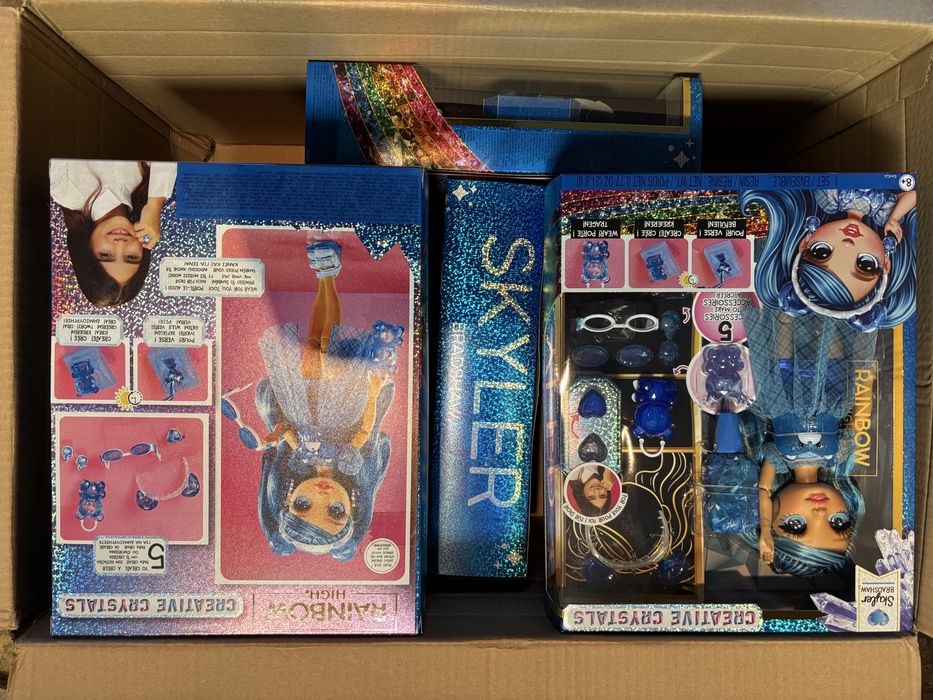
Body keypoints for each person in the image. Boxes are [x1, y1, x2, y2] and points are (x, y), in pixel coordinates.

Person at [223, 234, 404, 561]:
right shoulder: (348, 463)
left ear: (288, 499)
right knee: (328, 337)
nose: (321, 498)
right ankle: (327, 276)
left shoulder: (297, 461)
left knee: (316, 338)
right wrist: (373, 393)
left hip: (302, 399)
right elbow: (365, 431)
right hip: (341, 404)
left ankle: (326, 277)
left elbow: (288, 433)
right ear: (351, 509)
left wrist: (277, 434)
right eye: (335, 511)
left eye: (303, 506)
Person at [742, 188, 916, 330]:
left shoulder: (828, 197)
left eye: (821, 252)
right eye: (865, 264)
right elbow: (914, 194)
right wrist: (895, 217)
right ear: (885, 263)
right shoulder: (885, 213)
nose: (847, 244)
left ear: (805, 242)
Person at [51, 160, 176, 306]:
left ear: (87, 250)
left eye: (106, 254)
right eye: (131, 257)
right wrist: (155, 204)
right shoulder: (150, 195)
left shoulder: (65, 190)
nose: (120, 244)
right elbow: (167, 154)